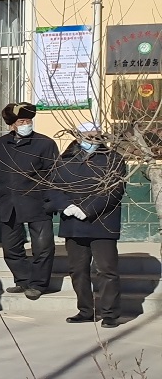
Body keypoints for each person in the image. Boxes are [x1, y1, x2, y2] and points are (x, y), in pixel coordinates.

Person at [46, 122, 128, 328]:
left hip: (103, 223)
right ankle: (85, 310)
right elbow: (52, 187)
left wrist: (87, 209)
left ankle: (110, 313)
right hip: (73, 224)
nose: (93, 140)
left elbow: (114, 191)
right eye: (88, 136)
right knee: (77, 270)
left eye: (96, 136)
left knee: (107, 270)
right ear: (79, 136)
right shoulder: (64, 160)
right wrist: (65, 206)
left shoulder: (113, 159)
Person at [0, 102, 58, 301]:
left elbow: (55, 175)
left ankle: (38, 284)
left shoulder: (45, 144)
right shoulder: (1, 144)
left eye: (28, 120)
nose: (26, 124)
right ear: (11, 125)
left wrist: (51, 200)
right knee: (11, 248)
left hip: (38, 203)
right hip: (9, 204)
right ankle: (23, 280)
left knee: (43, 247)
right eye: (21, 121)